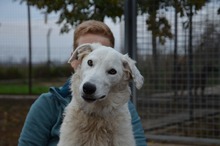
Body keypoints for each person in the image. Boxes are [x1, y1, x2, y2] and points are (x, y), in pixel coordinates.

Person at [18, 20, 147, 146]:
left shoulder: (126, 109)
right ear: (76, 58)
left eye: (111, 70)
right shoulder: (47, 104)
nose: (93, 78)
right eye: (90, 62)